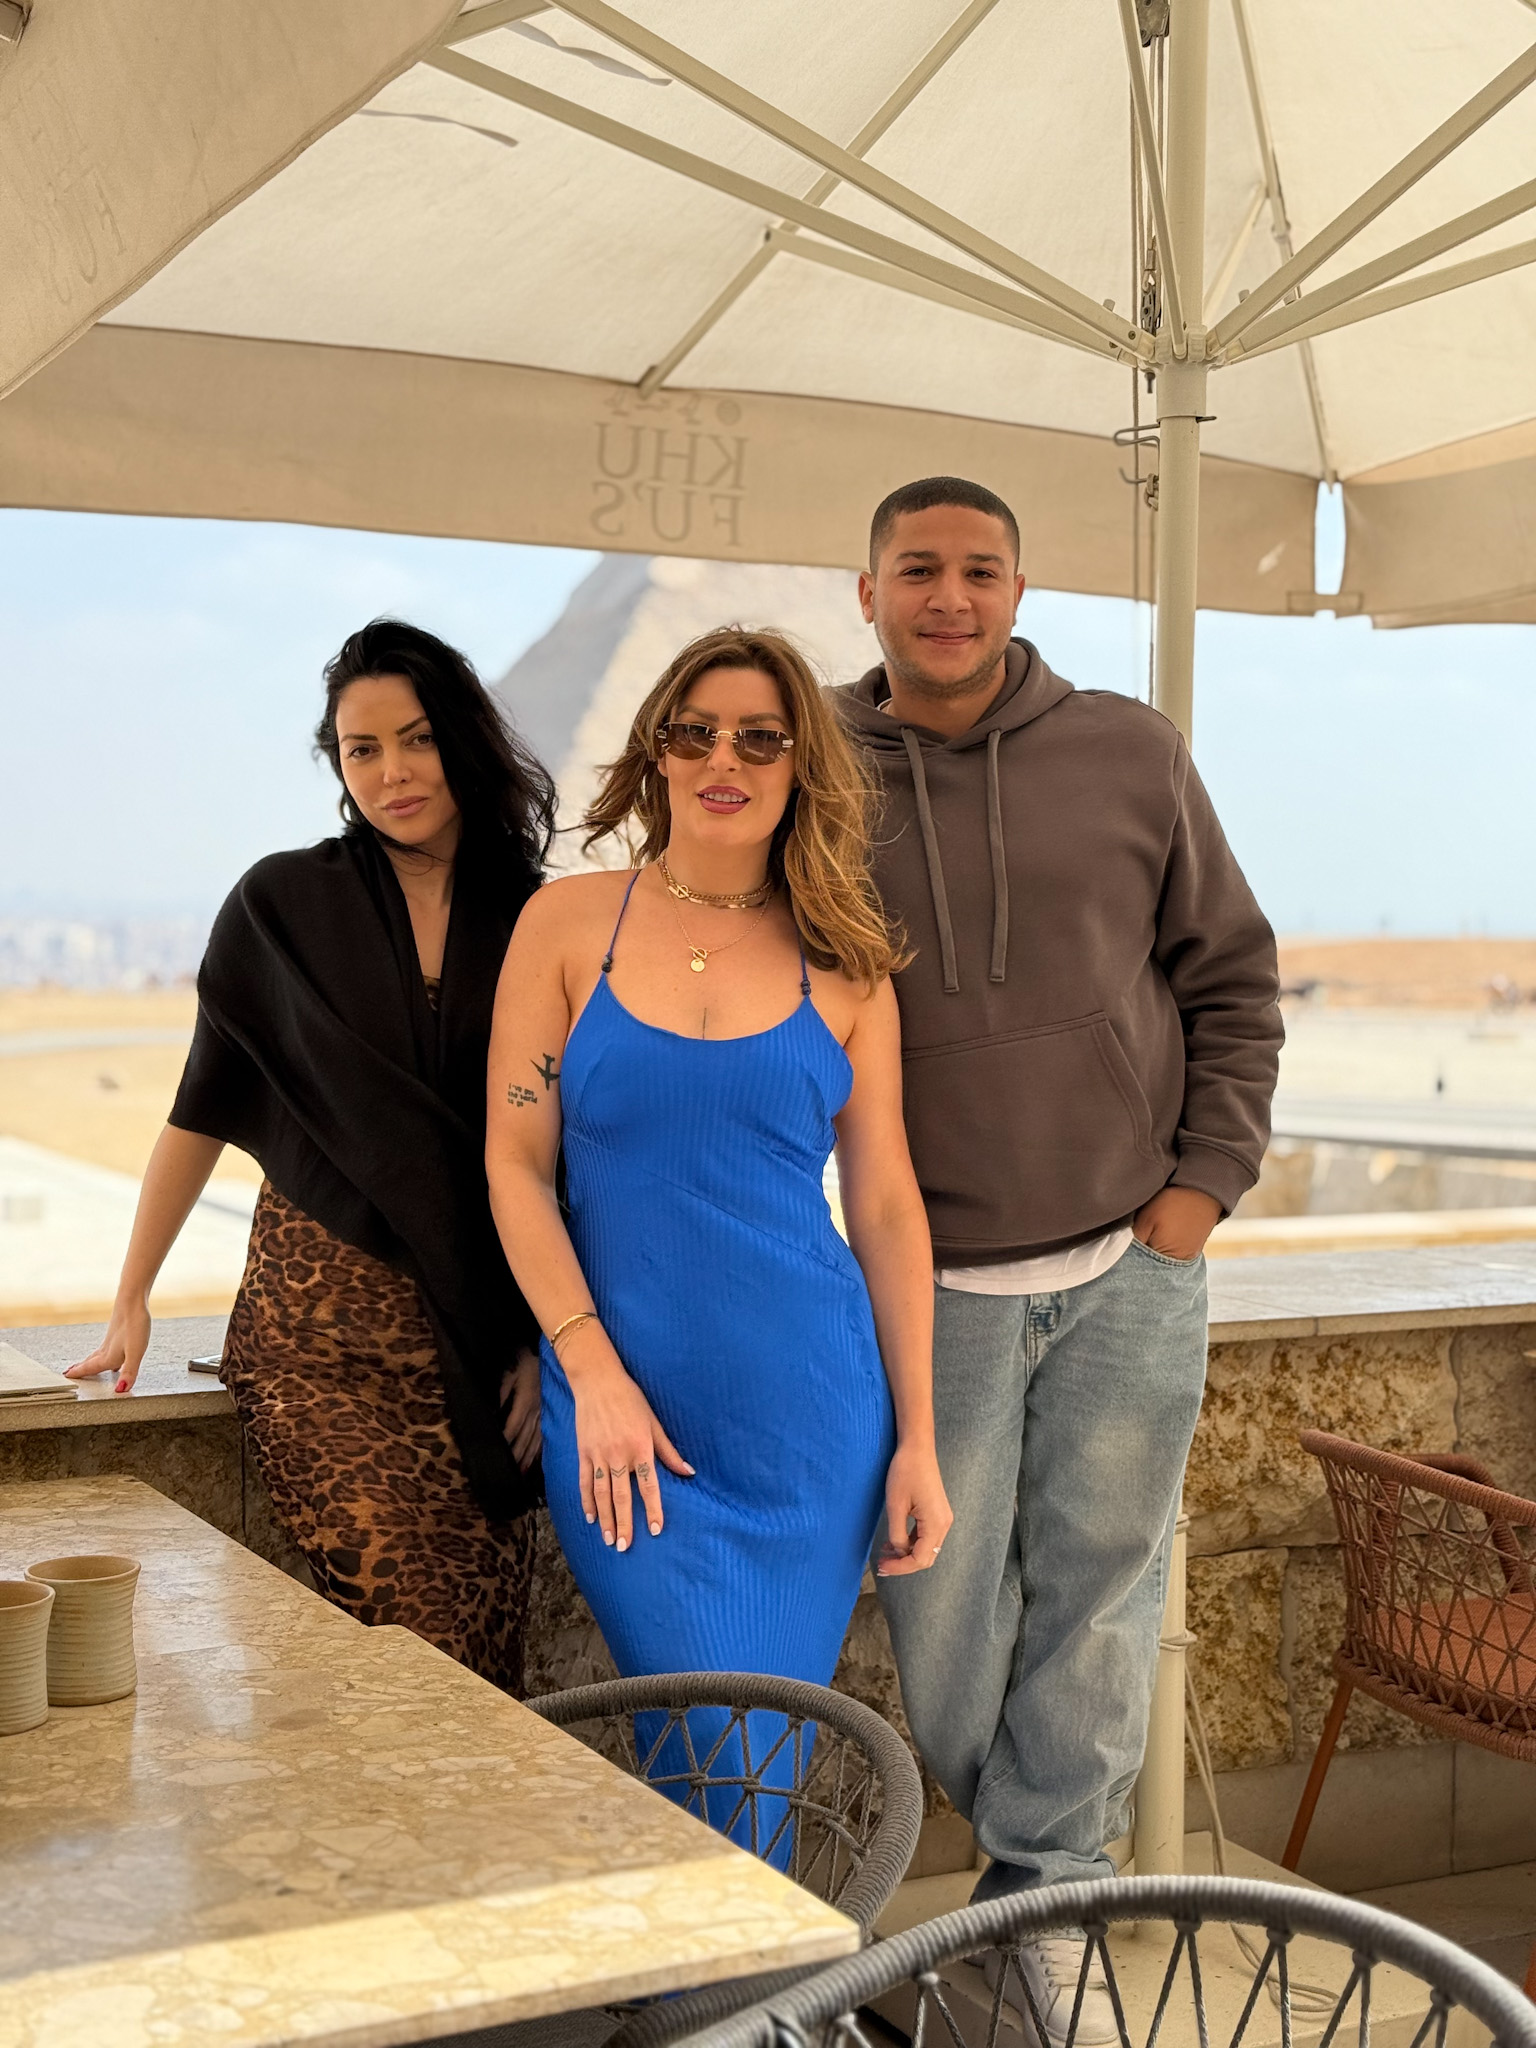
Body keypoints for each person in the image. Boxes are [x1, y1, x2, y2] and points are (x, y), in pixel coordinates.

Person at [839, 478, 1282, 2036]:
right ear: (867, 589)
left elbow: (1231, 974)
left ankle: (1037, 1922)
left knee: (1104, 1595)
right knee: (940, 1614)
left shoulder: (1130, 752)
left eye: (979, 570)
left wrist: (1200, 1194)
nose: (948, 596)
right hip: (928, 1282)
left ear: (1020, 589)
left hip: (1128, 1268)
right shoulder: (813, 766)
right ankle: (1027, 1908)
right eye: (918, 570)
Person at [484, 625, 951, 1834]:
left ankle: (731, 2013)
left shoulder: (848, 967)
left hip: (810, 1424)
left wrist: (921, 1442)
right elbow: (515, 1168)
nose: (722, 757)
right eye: (693, 732)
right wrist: (587, 1366)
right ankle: (743, 2011)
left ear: (804, 763)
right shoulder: (565, 926)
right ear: (656, 753)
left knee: (759, 1765)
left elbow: (888, 1207)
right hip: (623, 1418)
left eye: (759, 735)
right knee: (708, 1743)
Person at [68, 620, 553, 1695]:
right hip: (316, 1349)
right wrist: (132, 1296)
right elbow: (198, 1108)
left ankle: (450, 1862)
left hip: (477, 1350)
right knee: (419, 1641)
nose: (390, 772)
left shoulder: (533, 914)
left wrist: (536, 1341)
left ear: (461, 739)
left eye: (414, 739)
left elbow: (560, 1151)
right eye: (361, 748)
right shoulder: (281, 905)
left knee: (485, 1666)